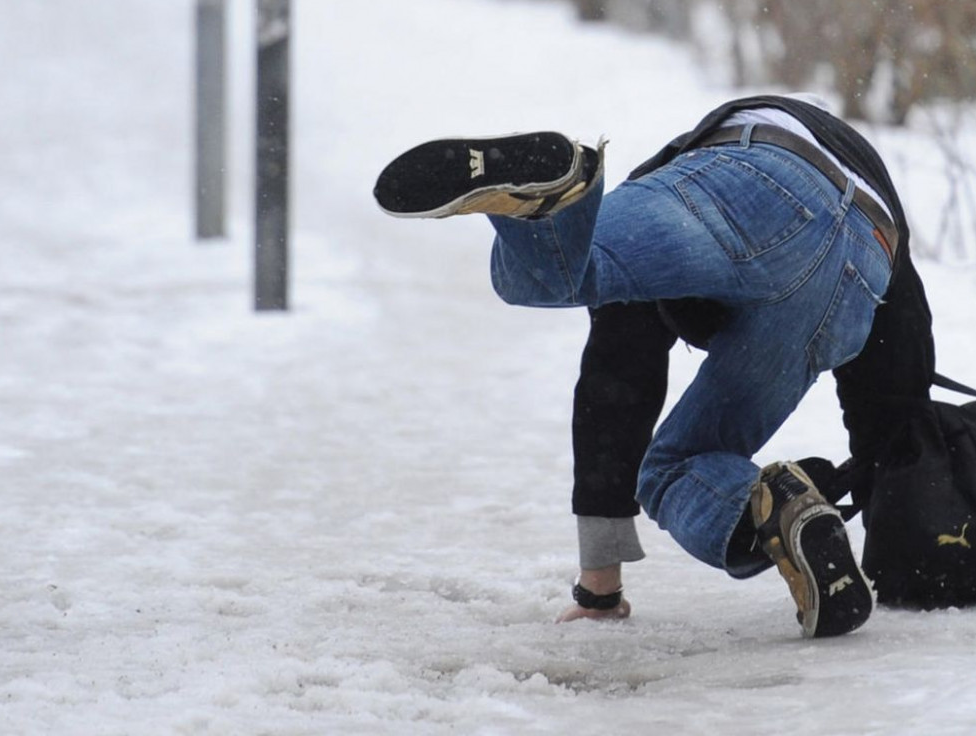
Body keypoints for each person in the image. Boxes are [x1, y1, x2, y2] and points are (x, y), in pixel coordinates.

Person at [375, 95, 935, 639]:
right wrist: (901, 533)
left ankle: (550, 201)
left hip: (750, 172)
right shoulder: (872, 211)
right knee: (676, 462)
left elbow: (617, 380)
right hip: (866, 253)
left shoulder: (677, 176)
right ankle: (786, 508)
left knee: (551, 272)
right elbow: (895, 388)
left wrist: (599, 587)